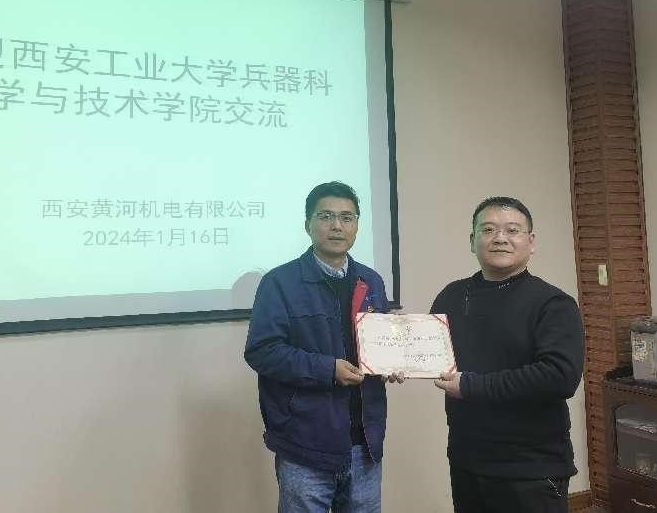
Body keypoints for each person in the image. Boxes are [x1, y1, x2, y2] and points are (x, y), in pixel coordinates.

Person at [245, 181, 401, 513]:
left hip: (365, 443)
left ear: (357, 225)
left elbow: (378, 345)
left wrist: (393, 360)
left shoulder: (371, 280)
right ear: (308, 225)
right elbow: (262, 351)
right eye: (326, 216)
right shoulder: (280, 282)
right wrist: (327, 369)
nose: (337, 226)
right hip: (305, 442)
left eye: (347, 217)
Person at [431, 196, 584, 513]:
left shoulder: (553, 303)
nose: (500, 238)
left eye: (512, 230)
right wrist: (396, 363)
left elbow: (559, 377)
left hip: (530, 468)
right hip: (466, 459)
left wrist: (470, 386)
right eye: (488, 230)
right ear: (472, 241)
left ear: (531, 242)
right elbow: (427, 353)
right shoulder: (452, 296)